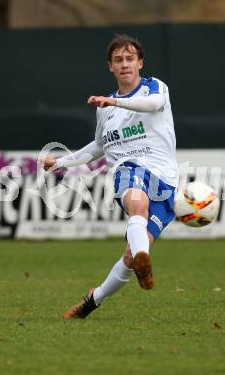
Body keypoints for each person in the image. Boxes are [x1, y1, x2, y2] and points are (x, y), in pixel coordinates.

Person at [42, 34, 178, 319]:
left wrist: (114, 104)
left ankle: (93, 300)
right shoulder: (106, 109)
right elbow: (98, 147)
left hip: (165, 180)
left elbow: (152, 105)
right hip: (128, 170)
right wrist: (60, 163)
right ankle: (145, 259)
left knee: (130, 257)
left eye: (130, 59)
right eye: (119, 60)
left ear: (140, 63)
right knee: (137, 204)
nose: (125, 64)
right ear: (110, 67)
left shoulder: (154, 88)